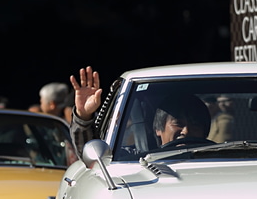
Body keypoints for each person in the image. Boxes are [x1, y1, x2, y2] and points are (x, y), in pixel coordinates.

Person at [68, 65, 210, 153]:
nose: (186, 131)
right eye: (178, 123)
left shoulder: (225, 157)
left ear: (205, 131)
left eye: (195, 124)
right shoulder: (131, 160)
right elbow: (93, 155)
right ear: (158, 129)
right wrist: (84, 116)